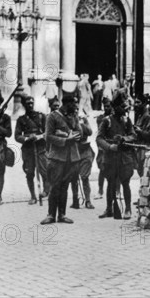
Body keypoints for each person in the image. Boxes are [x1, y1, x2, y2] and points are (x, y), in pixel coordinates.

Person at [41, 94, 82, 225]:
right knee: (55, 187)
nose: (76, 106)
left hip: (71, 157)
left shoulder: (74, 116)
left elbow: (79, 133)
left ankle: (62, 215)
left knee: (64, 187)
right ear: (67, 103)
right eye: (74, 103)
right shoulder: (52, 116)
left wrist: (65, 133)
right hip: (57, 158)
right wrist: (66, 139)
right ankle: (51, 215)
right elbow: (48, 137)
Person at [96, 96, 137, 220]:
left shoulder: (127, 120)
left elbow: (133, 135)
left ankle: (128, 209)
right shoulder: (106, 121)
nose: (124, 108)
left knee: (125, 183)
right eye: (121, 106)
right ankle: (109, 208)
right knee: (110, 183)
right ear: (114, 107)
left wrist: (124, 139)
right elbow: (99, 138)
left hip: (124, 157)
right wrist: (109, 147)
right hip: (110, 157)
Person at [15, 95, 48, 205]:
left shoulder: (41, 116)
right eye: (27, 103)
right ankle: (33, 196)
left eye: (31, 103)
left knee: (44, 171)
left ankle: (46, 191)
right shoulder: (21, 120)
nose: (30, 105)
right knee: (29, 173)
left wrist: (39, 137)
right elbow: (17, 136)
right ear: (24, 105)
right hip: (28, 149)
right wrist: (27, 139)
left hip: (40, 148)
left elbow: (48, 132)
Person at [70, 112, 95, 210]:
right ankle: (75, 200)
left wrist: (84, 121)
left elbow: (89, 132)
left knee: (85, 177)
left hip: (85, 152)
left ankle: (88, 200)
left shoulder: (83, 124)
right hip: (73, 153)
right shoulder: (69, 124)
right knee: (73, 178)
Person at [95, 98, 113, 198]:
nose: (106, 108)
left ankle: (117, 191)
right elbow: (101, 131)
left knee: (116, 169)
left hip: (112, 145)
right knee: (102, 169)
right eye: (105, 106)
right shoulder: (101, 118)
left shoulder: (115, 117)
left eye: (108, 106)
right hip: (103, 145)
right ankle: (100, 190)